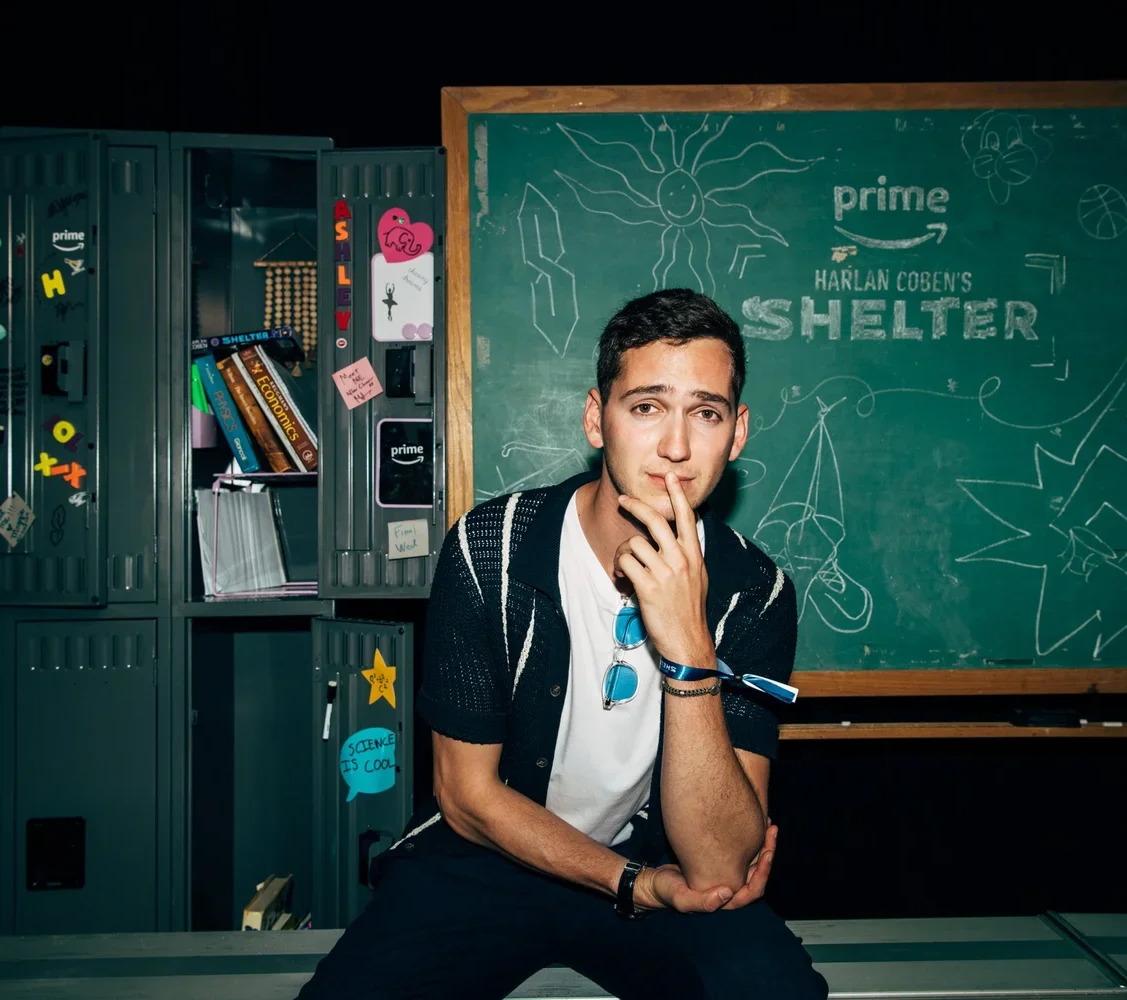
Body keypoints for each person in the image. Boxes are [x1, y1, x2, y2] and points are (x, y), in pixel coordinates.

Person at [296, 289, 826, 999]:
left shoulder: (754, 592)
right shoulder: (491, 549)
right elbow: (466, 796)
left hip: (660, 860)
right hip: (489, 857)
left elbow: (721, 865)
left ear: (737, 433)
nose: (675, 446)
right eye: (646, 407)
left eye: (706, 413)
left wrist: (689, 651)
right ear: (596, 418)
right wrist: (633, 884)